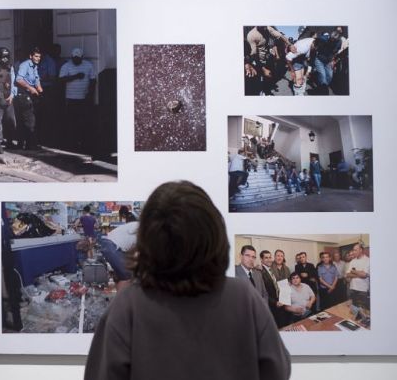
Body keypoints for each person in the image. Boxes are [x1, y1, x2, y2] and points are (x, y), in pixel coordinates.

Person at [85, 181, 290, 380]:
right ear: (214, 234)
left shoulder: (128, 304)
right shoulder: (243, 297)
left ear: (148, 241)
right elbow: (278, 369)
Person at [58, 47, 95, 151]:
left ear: (82, 57)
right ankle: (72, 143)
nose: (76, 60)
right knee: (71, 122)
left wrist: (90, 94)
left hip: (83, 98)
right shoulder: (66, 66)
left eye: (78, 58)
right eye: (74, 58)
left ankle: (82, 143)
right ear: (71, 57)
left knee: (83, 122)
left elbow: (93, 80)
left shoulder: (88, 65)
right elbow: (61, 80)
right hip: (71, 98)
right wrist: (75, 76)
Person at [97, 205, 138, 283]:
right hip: (112, 246)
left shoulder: (136, 224)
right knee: (126, 276)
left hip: (110, 244)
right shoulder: (142, 230)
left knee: (122, 273)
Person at [14, 48, 43, 150]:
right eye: (36, 56)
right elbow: (19, 79)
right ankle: (30, 145)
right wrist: (30, 88)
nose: (38, 58)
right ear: (31, 56)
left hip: (31, 94)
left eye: (39, 57)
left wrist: (40, 89)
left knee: (29, 119)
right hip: (23, 94)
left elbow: (36, 79)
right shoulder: (25, 65)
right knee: (29, 120)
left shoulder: (34, 66)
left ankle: (23, 144)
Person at [0, 47, 17, 154]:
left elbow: (13, 83)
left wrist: (12, 95)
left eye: (6, 57)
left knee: (11, 120)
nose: (5, 60)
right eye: (3, 57)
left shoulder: (11, 68)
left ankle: (9, 141)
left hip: (8, 98)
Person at [345, 243, 370, 308]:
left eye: (355, 250)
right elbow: (348, 274)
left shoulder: (368, 260)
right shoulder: (353, 261)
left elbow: (364, 275)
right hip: (352, 288)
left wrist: (353, 271)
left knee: (362, 310)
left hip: (362, 290)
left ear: (361, 250)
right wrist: (359, 273)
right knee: (354, 308)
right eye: (353, 250)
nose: (353, 252)